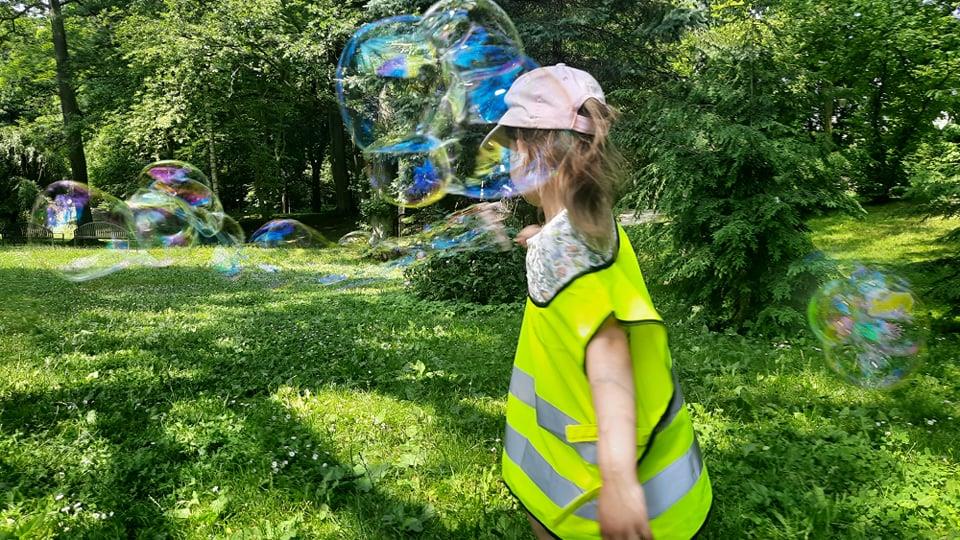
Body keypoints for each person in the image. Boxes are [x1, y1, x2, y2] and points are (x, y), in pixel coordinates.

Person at [482, 64, 713, 539]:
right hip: (654, 478)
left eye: (511, 147)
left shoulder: (563, 252)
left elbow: (609, 354)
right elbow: (581, 278)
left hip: (593, 493)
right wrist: (542, 235)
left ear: (530, 152)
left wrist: (619, 481)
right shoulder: (590, 228)